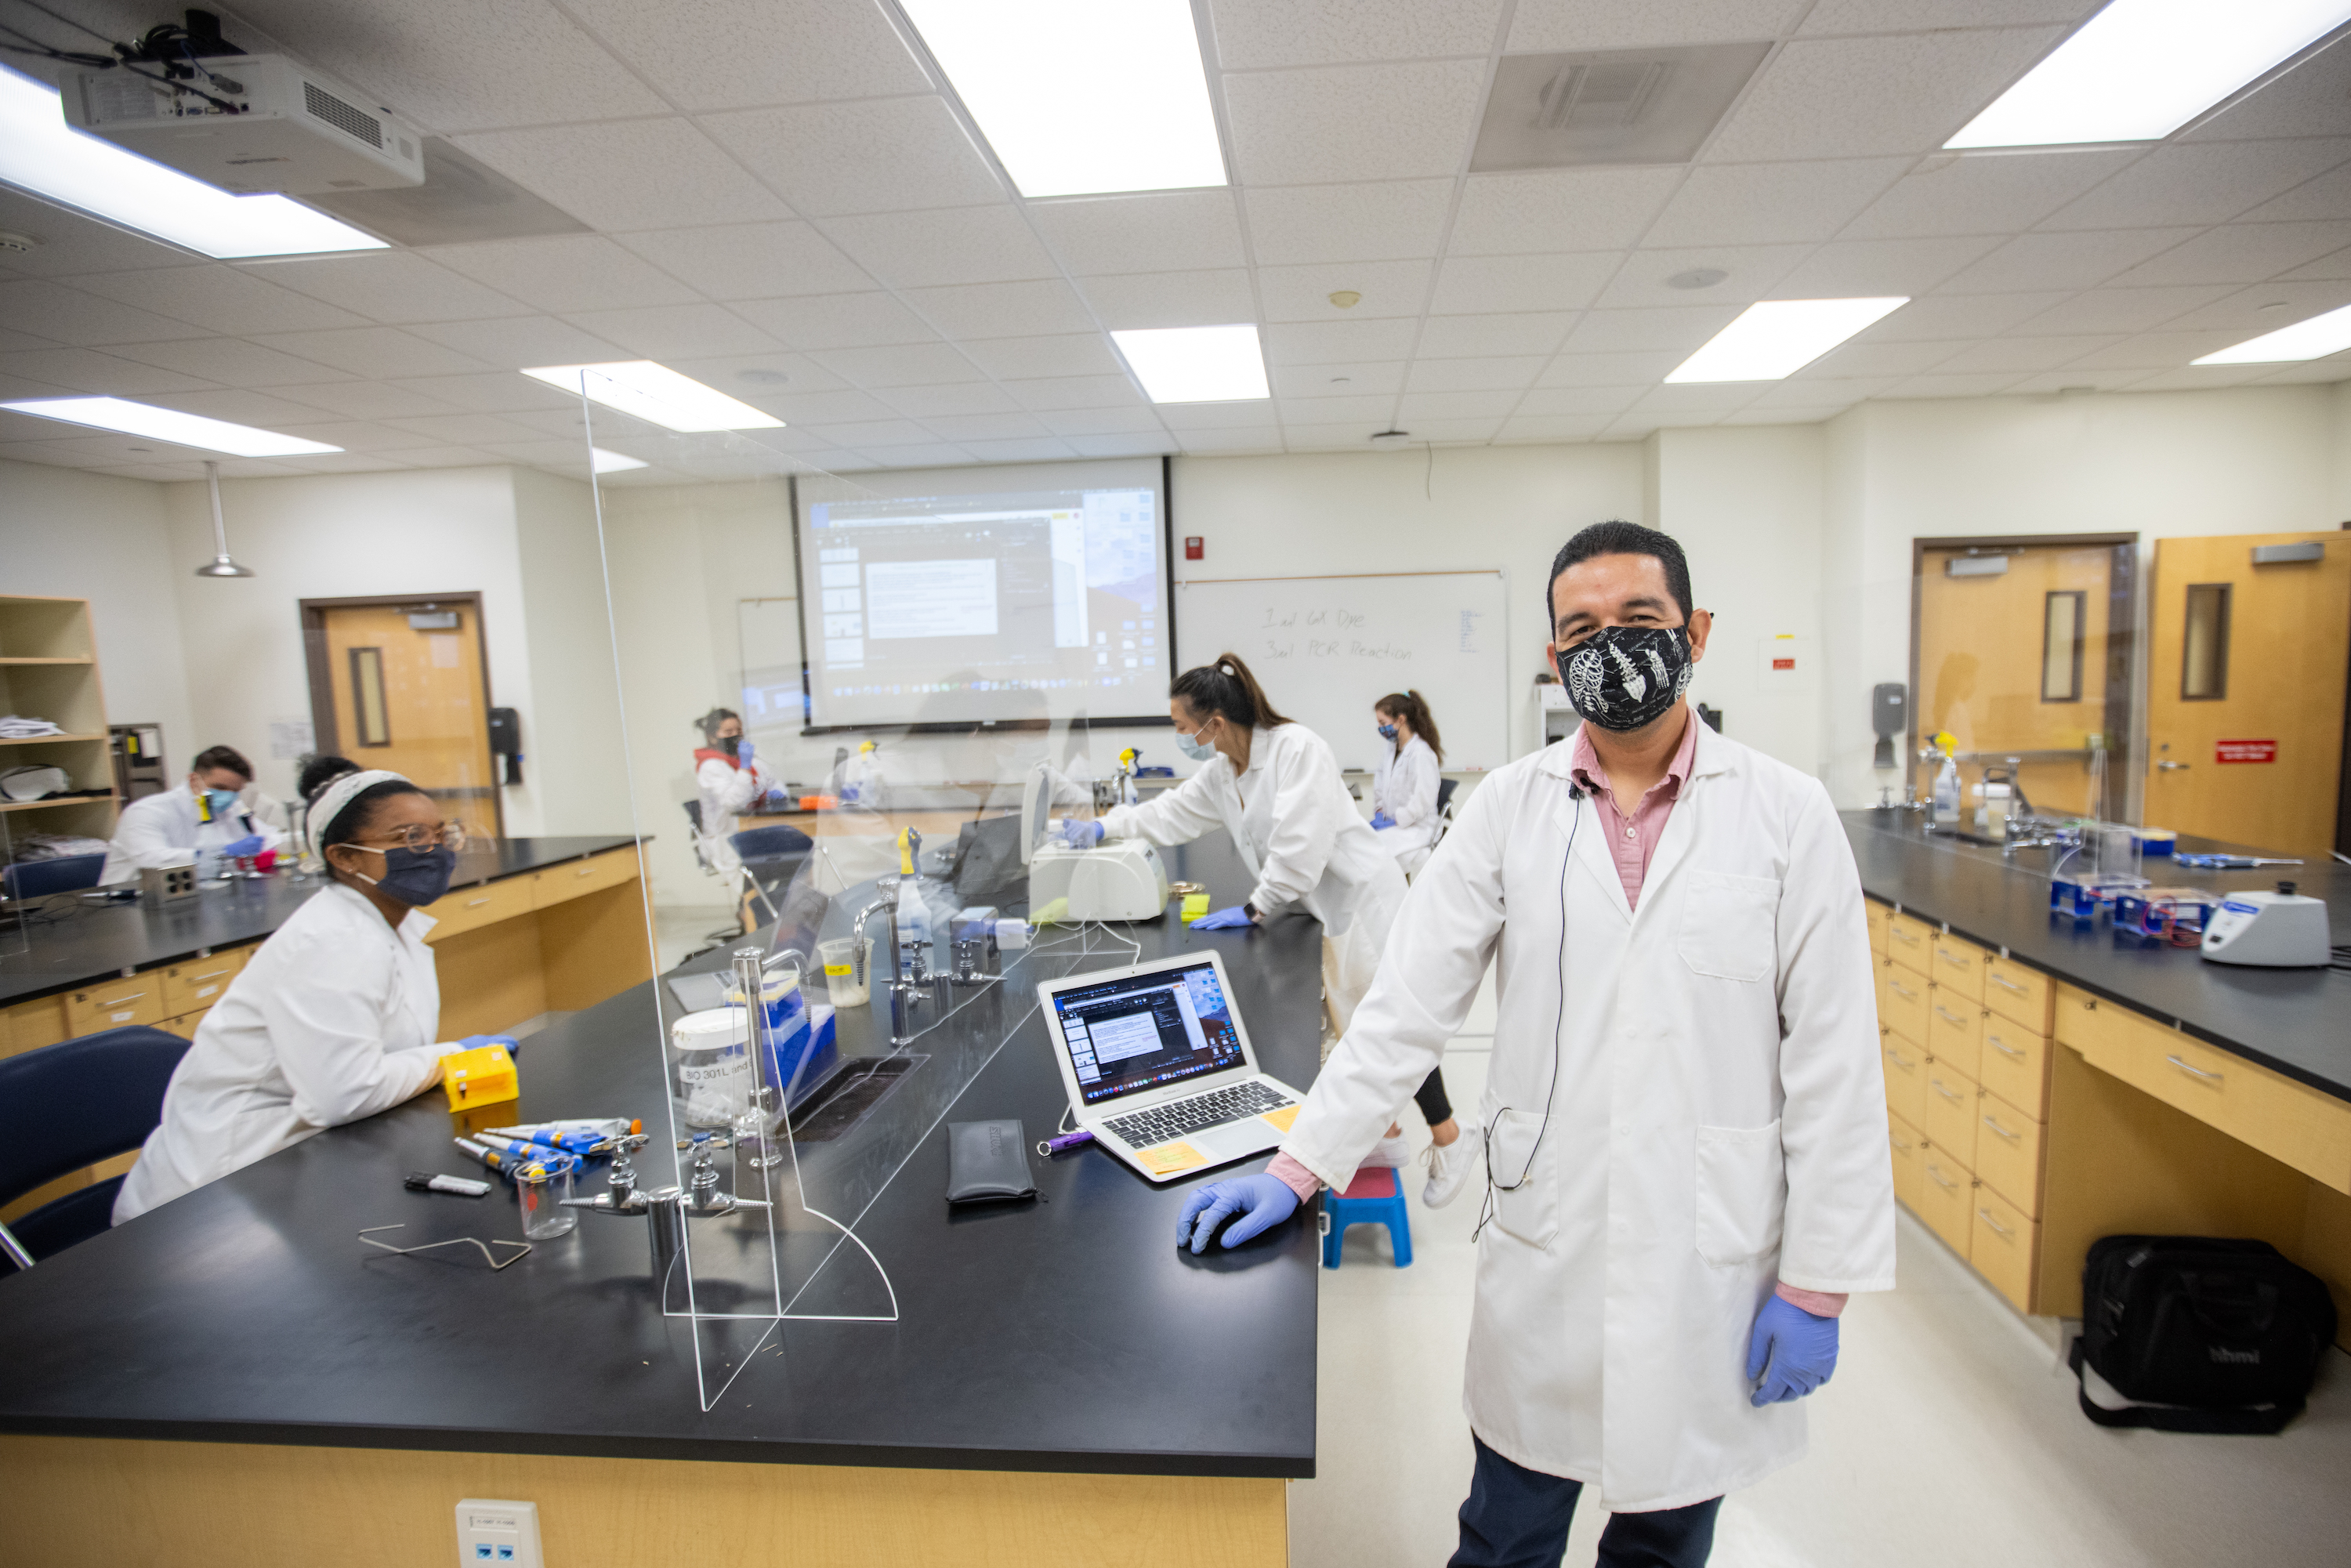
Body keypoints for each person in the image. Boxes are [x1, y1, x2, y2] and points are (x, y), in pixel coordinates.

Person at [1173, 523, 1894, 1566]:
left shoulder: (1788, 815)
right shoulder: (1510, 807)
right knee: (1505, 1536)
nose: (1611, 647)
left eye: (1640, 622)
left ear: (1694, 632)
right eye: (1582, 630)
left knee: (1664, 1540)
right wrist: (1298, 1165)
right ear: (1557, 659)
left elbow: (1834, 1069)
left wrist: (1817, 1282)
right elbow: (1405, 1008)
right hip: (1548, 1244)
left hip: (1712, 1259)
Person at [1055, 653, 1479, 1200]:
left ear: (1216, 723)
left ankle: (1449, 1138)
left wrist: (1256, 908)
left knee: (1387, 1028)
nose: (1179, 736)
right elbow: (1168, 813)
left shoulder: (1296, 749)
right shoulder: (1222, 771)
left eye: (1183, 726)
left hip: (1361, 903)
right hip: (1317, 907)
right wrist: (1103, 827)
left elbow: (1300, 850)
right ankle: (1388, 1134)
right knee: (1355, 1029)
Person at [114, 768, 504, 1223]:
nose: (434, 850)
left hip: (303, 1160)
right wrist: (454, 1055)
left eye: (441, 833)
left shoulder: (388, 928)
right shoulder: (330, 941)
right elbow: (343, 1094)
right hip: (216, 1194)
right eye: (412, 836)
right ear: (345, 857)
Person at [99, 744, 287, 885]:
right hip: (131, 903)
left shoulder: (230, 807)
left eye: (235, 790)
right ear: (193, 780)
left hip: (195, 893)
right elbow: (151, 859)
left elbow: (268, 838)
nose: (228, 796)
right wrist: (221, 854)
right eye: (220, 787)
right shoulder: (146, 812)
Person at [692, 708, 781, 873]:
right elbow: (735, 803)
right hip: (726, 841)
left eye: (738, 731)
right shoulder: (710, 767)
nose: (736, 735)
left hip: (751, 832)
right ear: (712, 737)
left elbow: (773, 782)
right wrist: (745, 768)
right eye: (728, 732)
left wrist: (777, 791)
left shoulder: (747, 759)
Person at [1369, 689, 1444, 871]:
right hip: (1395, 824)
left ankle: (1394, 899)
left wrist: (1397, 820)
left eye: (1383, 722)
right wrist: (1380, 811)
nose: (1380, 728)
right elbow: (1380, 781)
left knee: (1375, 854)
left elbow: (1423, 800)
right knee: (1363, 843)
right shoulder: (1391, 749)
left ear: (1400, 720)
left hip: (1418, 828)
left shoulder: (1421, 753)